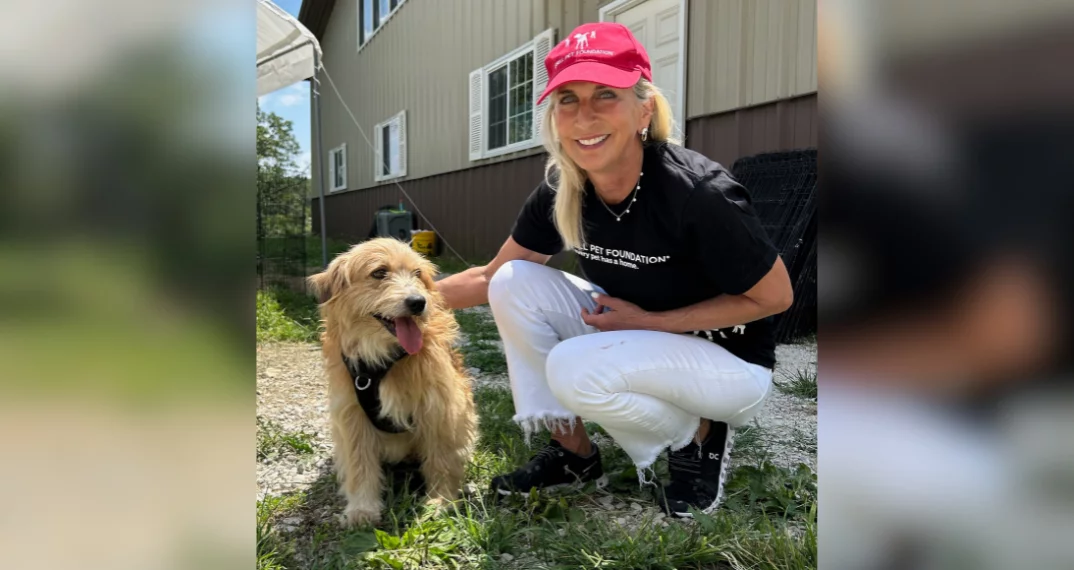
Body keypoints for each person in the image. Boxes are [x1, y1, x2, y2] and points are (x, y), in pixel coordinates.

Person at [437, 22, 793, 518]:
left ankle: (700, 435)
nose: (584, 116)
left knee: (573, 367)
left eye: (606, 94)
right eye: (568, 99)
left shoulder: (698, 194)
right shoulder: (564, 190)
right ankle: (573, 455)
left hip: (729, 365)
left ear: (643, 108)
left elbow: (777, 297)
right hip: (635, 336)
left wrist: (649, 321)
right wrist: (390, 302)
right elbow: (488, 277)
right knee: (513, 282)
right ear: (554, 117)